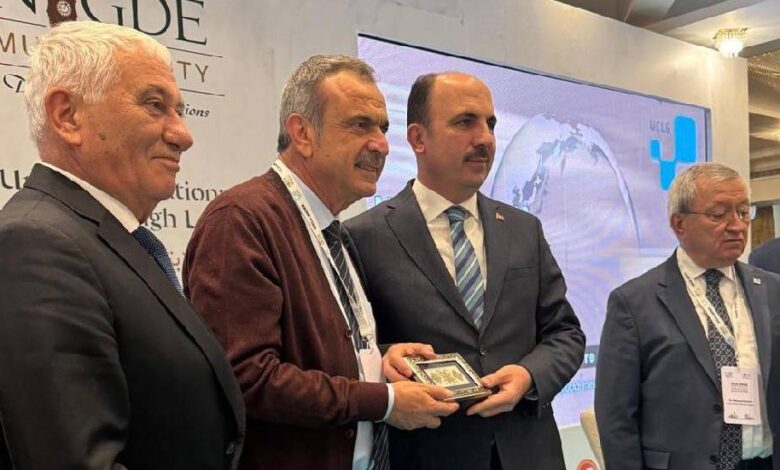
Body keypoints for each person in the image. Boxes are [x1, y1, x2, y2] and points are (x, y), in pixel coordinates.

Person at [184, 55, 458, 470]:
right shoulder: (242, 220)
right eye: (360, 125)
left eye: (383, 128)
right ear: (302, 133)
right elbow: (246, 378)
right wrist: (383, 401)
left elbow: (318, 356)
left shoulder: (332, 230)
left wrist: (380, 360)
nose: (381, 145)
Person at [0, 21, 244, 469]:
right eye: (155, 105)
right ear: (67, 116)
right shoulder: (36, 245)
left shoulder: (105, 240)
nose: (183, 134)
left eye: (180, 110)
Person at [345, 72, 585, 469]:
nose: (485, 138)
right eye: (465, 122)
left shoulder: (524, 229)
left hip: (528, 453)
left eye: (490, 124)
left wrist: (528, 376)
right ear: (418, 138)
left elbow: (565, 333)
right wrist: (387, 360)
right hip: (427, 456)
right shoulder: (364, 235)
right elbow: (351, 349)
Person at [596, 163, 780, 470]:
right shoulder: (634, 302)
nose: (737, 225)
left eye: (743, 212)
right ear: (679, 224)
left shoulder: (772, 290)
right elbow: (616, 416)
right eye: (719, 214)